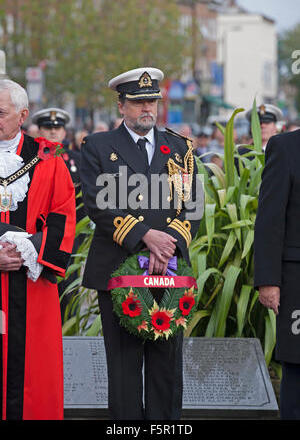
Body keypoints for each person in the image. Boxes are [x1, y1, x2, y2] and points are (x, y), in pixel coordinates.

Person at [80, 67, 202, 420]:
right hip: (118, 267)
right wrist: (146, 237)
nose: (147, 108)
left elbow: (191, 206)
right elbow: (98, 204)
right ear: (121, 106)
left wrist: (169, 246)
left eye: (152, 101)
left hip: (170, 270)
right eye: (138, 102)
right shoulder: (98, 146)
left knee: (166, 371)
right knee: (124, 370)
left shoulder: (179, 148)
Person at [0, 81, 76, 419]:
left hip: (32, 287)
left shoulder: (49, 157)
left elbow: (63, 216)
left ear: (22, 115)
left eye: (0, 113)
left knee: (34, 373)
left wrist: (26, 250)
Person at [254, 121, 300, 419]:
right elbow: (269, 219)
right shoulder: (285, 147)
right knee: (298, 368)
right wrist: (268, 281)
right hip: (297, 282)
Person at [32, 108, 86, 320]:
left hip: (70, 235)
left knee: (68, 291)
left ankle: (69, 330)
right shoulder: (30, 160)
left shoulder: (76, 160)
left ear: (65, 132)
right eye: (48, 128)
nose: (53, 132)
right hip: (39, 235)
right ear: (39, 130)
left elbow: (84, 201)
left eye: (58, 128)